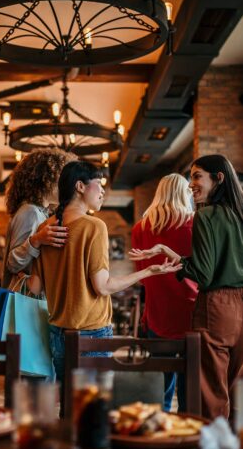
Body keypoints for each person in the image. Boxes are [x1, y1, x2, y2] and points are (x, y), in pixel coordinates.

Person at [28, 161, 182, 400]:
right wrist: (148, 272)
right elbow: (103, 286)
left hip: (57, 331)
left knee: (69, 404)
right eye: (98, 185)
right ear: (80, 186)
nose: (102, 191)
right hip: (91, 333)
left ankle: (68, 438)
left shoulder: (44, 228)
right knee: (93, 408)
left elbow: (34, 287)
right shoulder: (94, 227)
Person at [129, 155, 243, 419]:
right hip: (219, 311)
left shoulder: (203, 216)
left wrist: (176, 262)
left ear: (218, 179)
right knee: (228, 387)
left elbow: (202, 273)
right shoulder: (231, 215)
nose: (191, 184)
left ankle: (190, 446)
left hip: (200, 311)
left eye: (196, 176)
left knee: (207, 393)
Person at [131, 173, 198, 412]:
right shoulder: (195, 223)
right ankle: (186, 435)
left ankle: (157, 432)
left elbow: (142, 276)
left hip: (157, 314)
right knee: (190, 384)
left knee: (160, 386)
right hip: (192, 314)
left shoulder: (141, 228)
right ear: (184, 193)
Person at [1, 148, 75, 289]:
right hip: (25, 300)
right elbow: (13, 264)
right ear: (46, 180)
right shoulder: (31, 211)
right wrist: (37, 240)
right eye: (62, 180)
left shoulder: (39, 212)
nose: (66, 187)